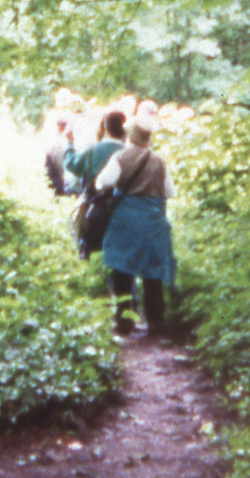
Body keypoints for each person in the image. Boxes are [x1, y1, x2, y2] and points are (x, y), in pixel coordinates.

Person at [95, 116, 177, 335]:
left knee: (122, 270)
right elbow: (169, 192)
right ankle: (156, 322)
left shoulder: (120, 157)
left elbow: (102, 183)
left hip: (125, 222)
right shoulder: (159, 161)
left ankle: (124, 322)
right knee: (153, 273)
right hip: (153, 223)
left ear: (130, 136)